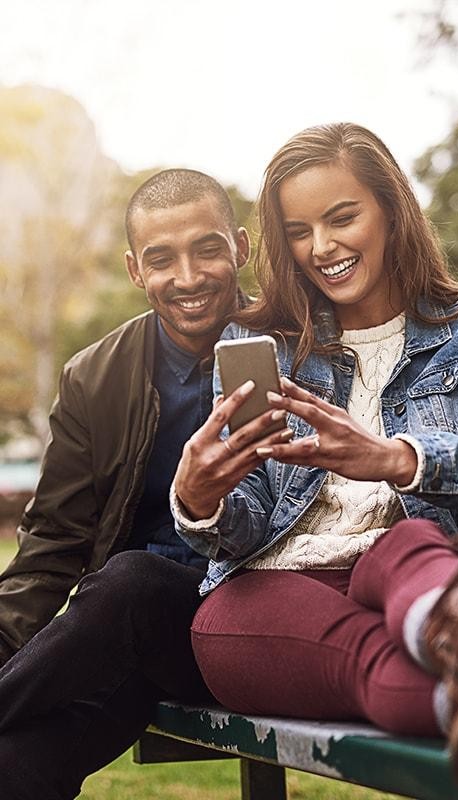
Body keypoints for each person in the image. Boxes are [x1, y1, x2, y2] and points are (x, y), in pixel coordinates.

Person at [172, 123, 458, 794]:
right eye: (299, 231)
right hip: (278, 596)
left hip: (415, 570)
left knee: (406, 541)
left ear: (392, 210)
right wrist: (203, 501)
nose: (322, 248)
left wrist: (401, 459)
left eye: (342, 217)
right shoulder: (264, 346)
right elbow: (247, 519)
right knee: (230, 625)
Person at [0, 168, 266, 799]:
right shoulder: (94, 378)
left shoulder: (299, 344)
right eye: (161, 259)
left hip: (253, 628)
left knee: (131, 579)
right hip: (133, 642)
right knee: (15, 767)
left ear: (242, 248)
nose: (189, 277)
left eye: (207, 249)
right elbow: (52, 545)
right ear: (133, 271)